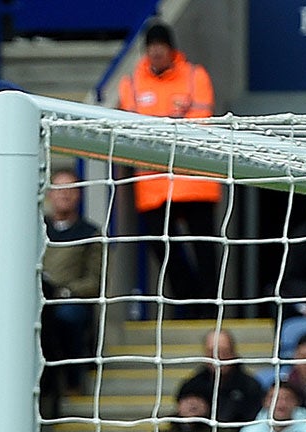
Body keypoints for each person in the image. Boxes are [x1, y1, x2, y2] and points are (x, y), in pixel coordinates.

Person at [117, 20, 220, 309]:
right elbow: (131, 132)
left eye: (161, 46)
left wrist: (158, 133)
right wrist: (171, 125)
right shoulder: (132, 84)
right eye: (152, 47)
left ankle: (210, 305)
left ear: (171, 48)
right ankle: (189, 301)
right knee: (162, 247)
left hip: (195, 180)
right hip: (153, 186)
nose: (156, 52)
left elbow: (201, 124)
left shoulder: (194, 76)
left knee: (205, 247)